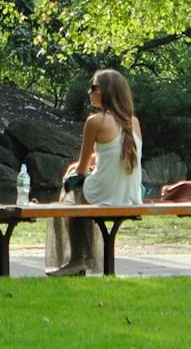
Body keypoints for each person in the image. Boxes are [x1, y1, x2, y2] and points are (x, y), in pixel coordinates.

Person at [46, 68, 144, 277]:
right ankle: (83, 258)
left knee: (69, 194)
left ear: (107, 91)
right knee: (81, 192)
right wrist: (88, 164)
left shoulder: (95, 121)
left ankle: (76, 260)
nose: (89, 92)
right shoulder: (133, 122)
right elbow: (114, 155)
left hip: (105, 195)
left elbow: (81, 170)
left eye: (94, 87)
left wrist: (74, 171)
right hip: (130, 197)